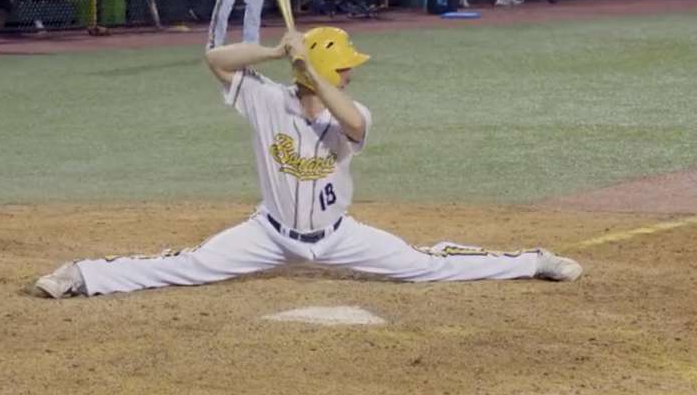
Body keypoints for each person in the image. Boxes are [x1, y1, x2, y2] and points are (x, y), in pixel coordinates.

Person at [31, 26, 582, 299]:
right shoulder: (267, 99)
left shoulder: (351, 110)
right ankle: (82, 275)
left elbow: (353, 122)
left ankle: (532, 260)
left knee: (428, 266)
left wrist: (312, 72)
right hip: (267, 234)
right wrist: (276, 53)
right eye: (343, 67)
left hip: (340, 237)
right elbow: (213, 59)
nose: (352, 74)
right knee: (188, 264)